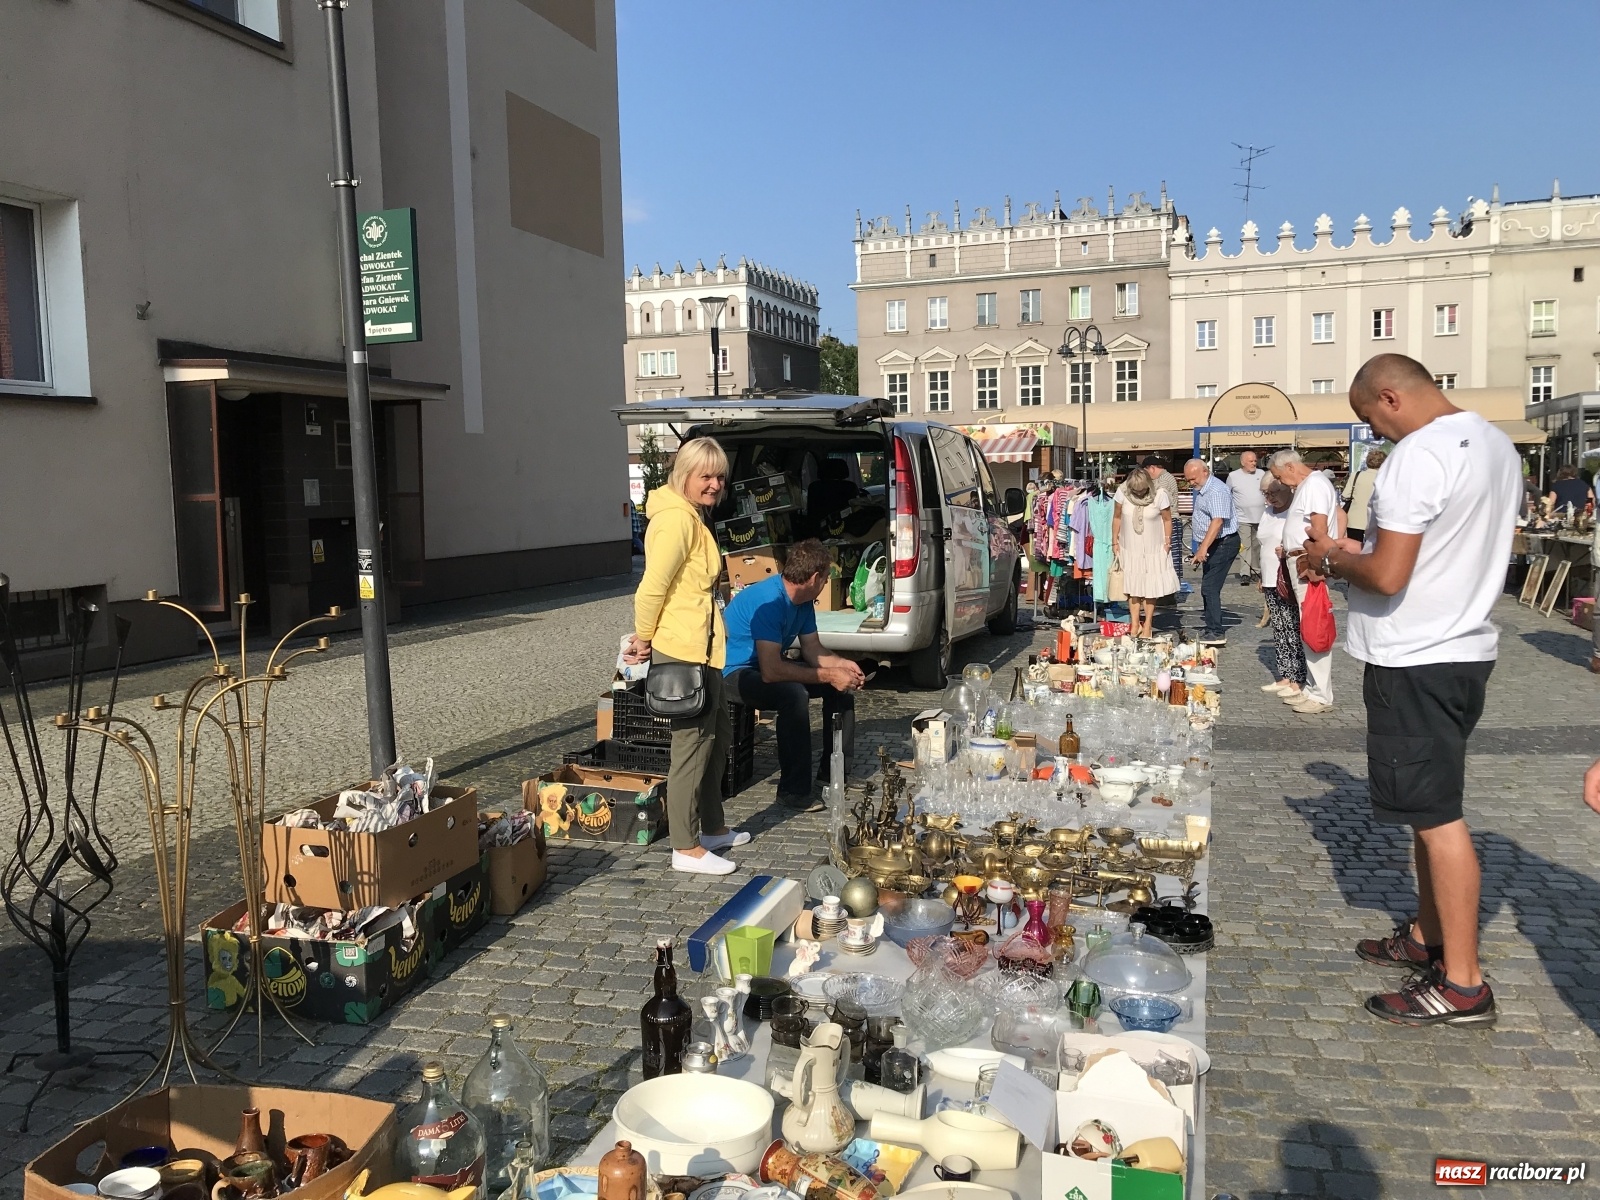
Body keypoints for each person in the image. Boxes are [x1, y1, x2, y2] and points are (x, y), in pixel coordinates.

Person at [1302, 353, 1519, 1028]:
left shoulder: (1416, 458)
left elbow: (1390, 575)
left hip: (1417, 654)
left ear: (1391, 399)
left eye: (1371, 419)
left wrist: (1330, 555)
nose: (1375, 434)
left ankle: (1462, 983)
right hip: (1462, 645)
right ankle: (1428, 936)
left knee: (1438, 816)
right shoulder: (1493, 443)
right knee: (1430, 808)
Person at [625, 437, 748, 876]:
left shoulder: (693, 516)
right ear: (684, 475)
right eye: (706, 476)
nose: (714, 484)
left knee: (716, 741)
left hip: (705, 645)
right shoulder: (676, 521)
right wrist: (643, 637)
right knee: (691, 749)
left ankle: (712, 827)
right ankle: (685, 845)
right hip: (684, 650)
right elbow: (651, 587)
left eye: (719, 476)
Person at [722, 539, 866, 811]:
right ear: (814, 577)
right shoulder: (770, 601)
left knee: (842, 685)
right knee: (793, 694)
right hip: (735, 673)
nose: (826, 584)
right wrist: (828, 675)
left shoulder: (803, 600)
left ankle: (834, 773)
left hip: (765, 667)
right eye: (825, 578)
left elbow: (812, 648)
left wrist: (841, 665)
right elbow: (772, 671)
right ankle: (793, 791)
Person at [1269, 447, 1342, 715]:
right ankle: (1312, 687)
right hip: (1298, 558)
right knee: (1306, 621)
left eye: (1279, 475)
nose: (1279, 481)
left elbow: (1318, 526)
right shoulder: (1308, 486)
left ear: (1290, 466)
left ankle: (1321, 693)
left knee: (1314, 622)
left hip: (1306, 561)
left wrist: (1314, 561)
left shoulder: (1314, 485)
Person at [1112, 468, 1179, 638]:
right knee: (1132, 588)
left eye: (1141, 490)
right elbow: (1117, 517)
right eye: (1135, 491)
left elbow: (1167, 519)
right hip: (1130, 547)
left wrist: (1167, 541)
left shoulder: (1160, 495)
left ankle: (1148, 623)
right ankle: (1135, 624)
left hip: (1153, 547)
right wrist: (1115, 541)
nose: (1138, 494)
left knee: (1150, 587)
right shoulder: (1122, 492)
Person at [1256, 479, 1307, 700]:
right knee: (1279, 628)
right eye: (1265, 493)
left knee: (1292, 627)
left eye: (1274, 492)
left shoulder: (1294, 513)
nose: (1270, 497)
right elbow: (1263, 542)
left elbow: (1303, 541)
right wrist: (1261, 574)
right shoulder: (1268, 512)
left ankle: (1298, 678)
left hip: (1287, 576)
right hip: (1269, 575)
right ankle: (1285, 674)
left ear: (1287, 489)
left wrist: (1287, 550)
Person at [1182, 458, 1238, 645]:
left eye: (1193, 479)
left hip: (1224, 542)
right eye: (1188, 480)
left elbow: (1218, 521)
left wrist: (1202, 548)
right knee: (1208, 586)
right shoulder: (1204, 489)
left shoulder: (1216, 490)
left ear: (1205, 472)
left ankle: (1217, 632)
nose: (1191, 483)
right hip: (1213, 543)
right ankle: (1211, 626)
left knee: (1210, 587)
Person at [1226, 451, 1266, 585]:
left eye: (1255, 461)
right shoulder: (1233, 476)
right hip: (1242, 517)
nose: (1254, 463)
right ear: (1243, 462)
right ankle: (1245, 573)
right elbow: (1227, 495)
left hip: (1260, 517)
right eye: (1251, 461)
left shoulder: (1261, 474)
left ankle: (1256, 570)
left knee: (1257, 546)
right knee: (1245, 546)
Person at [1141, 456, 1183, 579]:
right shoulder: (1162, 478)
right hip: (1164, 520)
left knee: (1171, 556)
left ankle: (1173, 587)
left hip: (1171, 520)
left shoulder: (1164, 480)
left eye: (1146, 472)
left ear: (1152, 468)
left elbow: (1155, 498)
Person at [1342, 448, 1387, 541]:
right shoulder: (1384, 478)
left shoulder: (1356, 475)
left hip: (1354, 520)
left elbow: (1345, 495)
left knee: (1354, 549)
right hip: (1376, 521)